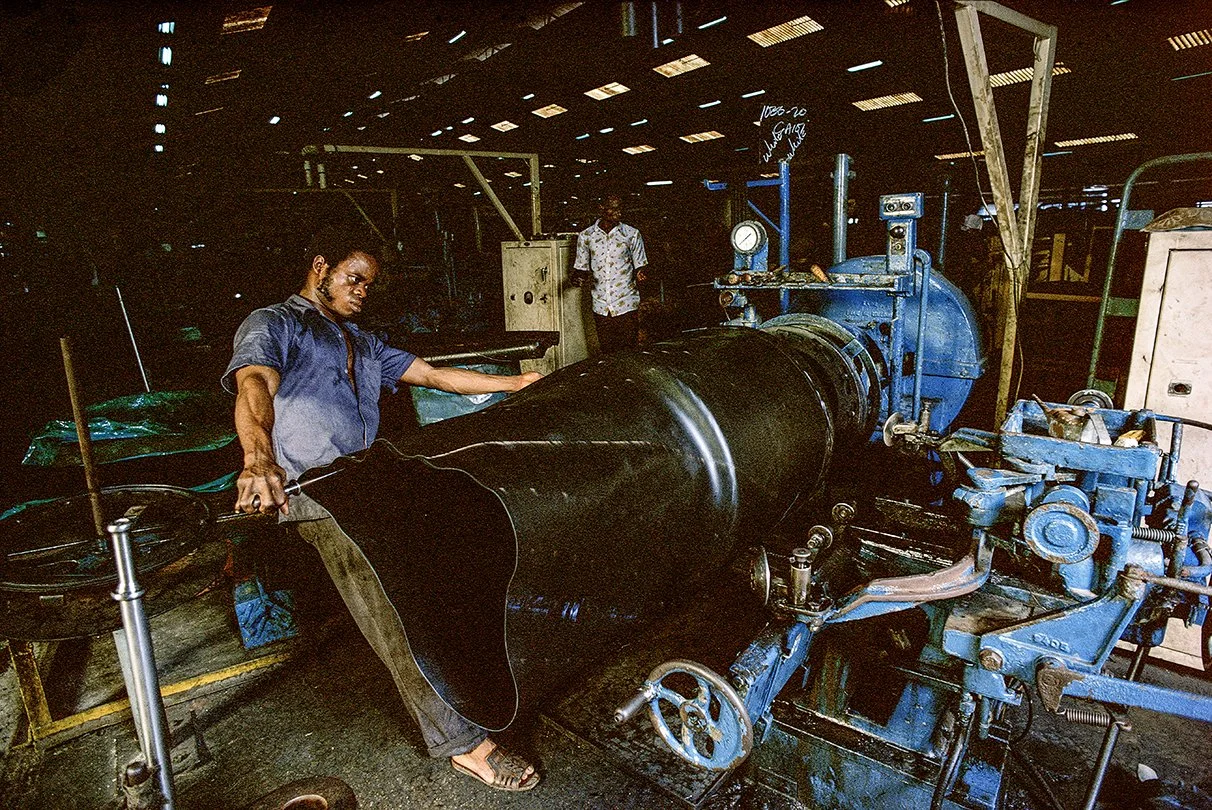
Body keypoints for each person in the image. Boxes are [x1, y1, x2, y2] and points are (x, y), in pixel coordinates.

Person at [222, 225, 543, 792]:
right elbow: (254, 386)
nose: (362, 291)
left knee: (448, 561)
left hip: (370, 479)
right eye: (354, 279)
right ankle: (464, 743)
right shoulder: (275, 324)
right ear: (319, 267)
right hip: (317, 492)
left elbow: (436, 375)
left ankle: (478, 678)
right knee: (392, 606)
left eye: (368, 285)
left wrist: (517, 383)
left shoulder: (362, 342)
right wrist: (257, 459)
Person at [573, 193, 648, 352]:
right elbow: (581, 268)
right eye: (614, 210)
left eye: (620, 209)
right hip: (600, 304)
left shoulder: (631, 234)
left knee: (629, 352)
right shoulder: (586, 236)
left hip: (626, 302)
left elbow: (641, 265)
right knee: (607, 352)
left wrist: (642, 274)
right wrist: (578, 278)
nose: (619, 213)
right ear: (601, 208)